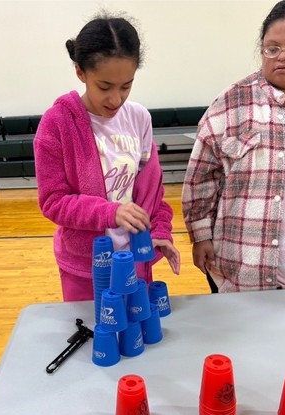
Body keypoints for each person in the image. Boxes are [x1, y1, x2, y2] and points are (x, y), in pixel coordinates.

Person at [34, 15, 181, 301]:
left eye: (126, 85)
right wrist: (111, 211)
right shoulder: (57, 124)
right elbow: (53, 202)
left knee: (137, 341)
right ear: (81, 72)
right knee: (96, 340)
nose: (116, 99)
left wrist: (160, 231)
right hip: (86, 267)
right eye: (104, 87)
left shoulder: (139, 118)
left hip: (135, 260)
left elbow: (152, 195)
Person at [182, 1, 285, 293]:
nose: (281, 56)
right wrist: (200, 236)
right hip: (244, 275)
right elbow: (202, 175)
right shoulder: (230, 104)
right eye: (271, 48)